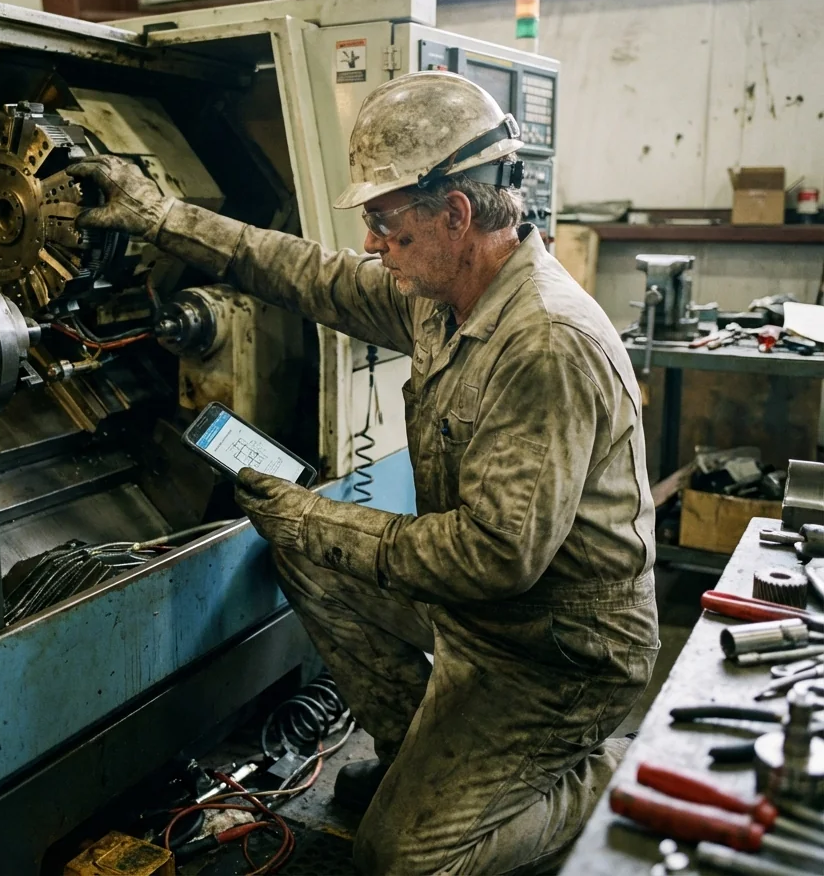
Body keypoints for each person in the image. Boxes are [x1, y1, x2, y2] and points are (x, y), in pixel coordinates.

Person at [69, 71, 659, 875]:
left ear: (455, 213)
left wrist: (312, 513)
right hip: (483, 619)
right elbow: (307, 272)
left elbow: (494, 557)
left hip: (557, 651)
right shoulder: (443, 292)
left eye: (386, 224)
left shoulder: (544, 343)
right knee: (307, 554)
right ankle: (420, 755)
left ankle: (598, 777)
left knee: (402, 862)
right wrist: (161, 218)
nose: (374, 244)